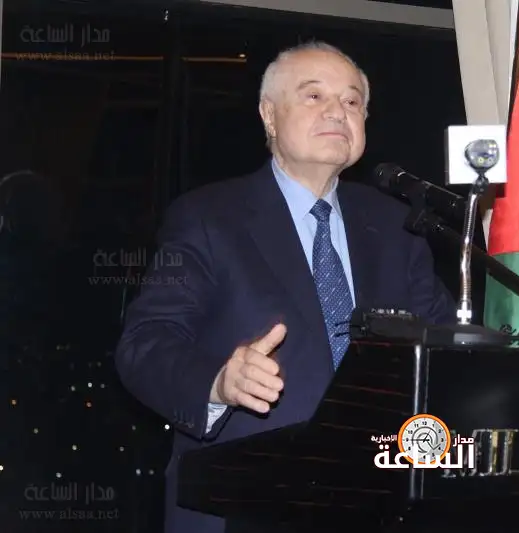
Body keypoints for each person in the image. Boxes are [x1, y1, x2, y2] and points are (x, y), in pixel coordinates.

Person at [114, 42, 456, 533]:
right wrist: (218, 382)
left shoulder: (397, 226)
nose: (337, 111)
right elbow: (145, 344)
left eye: (352, 100)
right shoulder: (209, 217)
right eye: (314, 96)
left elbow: (444, 350)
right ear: (269, 116)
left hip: (379, 502)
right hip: (241, 503)